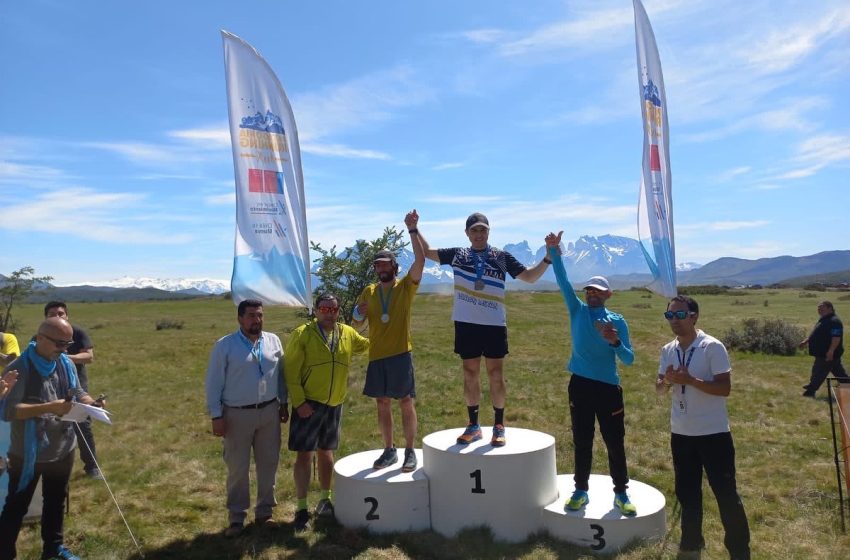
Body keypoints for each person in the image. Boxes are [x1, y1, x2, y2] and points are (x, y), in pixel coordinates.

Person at [417, 212, 551, 447]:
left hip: (493, 325)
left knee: (495, 375)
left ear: (489, 232)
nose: (479, 234)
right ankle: (474, 425)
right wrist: (413, 228)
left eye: (483, 230)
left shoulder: (501, 256)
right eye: (474, 230)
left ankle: (499, 426)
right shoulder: (458, 254)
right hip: (466, 324)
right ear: (467, 233)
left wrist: (548, 258)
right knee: (470, 374)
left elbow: (529, 277)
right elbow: (427, 252)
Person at [545, 231, 637, 516]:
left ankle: (621, 493)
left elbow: (629, 359)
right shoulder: (578, 311)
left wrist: (615, 342)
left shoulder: (617, 322)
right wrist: (554, 251)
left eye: (597, 290)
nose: (591, 294)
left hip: (609, 388)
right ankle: (580, 490)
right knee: (582, 440)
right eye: (589, 290)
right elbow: (562, 281)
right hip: (580, 386)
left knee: (614, 442)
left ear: (608, 294)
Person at [0, 317, 104, 560]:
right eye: (59, 343)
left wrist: (92, 403)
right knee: (17, 507)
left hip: (63, 448)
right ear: (40, 339)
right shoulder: (19, 368)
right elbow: (7, 412)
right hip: (28, 453)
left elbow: (76, 391)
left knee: (56, 501)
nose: (64, 349)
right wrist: (49, 407)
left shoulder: (64, 362)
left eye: (67, 344)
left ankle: (53, 549)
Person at [656, 295, 751, 559]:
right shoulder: (668, 349)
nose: (674, 321)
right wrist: (668, 382)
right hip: (681, 433)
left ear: (694, 316)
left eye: (679, 315)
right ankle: (690, 546)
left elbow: (724, 388)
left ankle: (740, 551)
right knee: (687, 495)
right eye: (670, 316)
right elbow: (659, 388)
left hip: (713, 434)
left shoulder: (712, 347)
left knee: (726, 495)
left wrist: (691, 379)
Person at [284, 292, 369, 532]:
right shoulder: (302, 334)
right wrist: (299, 402)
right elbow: (290, 371)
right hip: (308, 405)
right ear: (316, 310)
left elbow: (369, 345)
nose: (329, 313)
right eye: (324, 309)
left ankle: (325, 499)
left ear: (338, 311)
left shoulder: (347, 333)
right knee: (304, 455)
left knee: (327, 452)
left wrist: (384, 325)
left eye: (333, 309)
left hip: (334, 404)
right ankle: (301, 508)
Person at [205, 299, 288, 538]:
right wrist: (216, 415)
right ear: (240, 318)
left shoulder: (273, 341)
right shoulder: (225, 346)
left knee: (269, 464)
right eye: (251, 315)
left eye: (260, 315)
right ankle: (237, 518)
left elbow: (280, 375)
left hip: (270, 412)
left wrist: (283, 403)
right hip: (237, 415)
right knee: (238, 468)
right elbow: (213, 383)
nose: (257, 320)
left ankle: (264, 513)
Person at [353, 210, 425, 473]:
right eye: (378, 265)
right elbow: (357, 324)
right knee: (381, 403)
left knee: (406, 401)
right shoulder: (368, 291)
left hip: (400, 354)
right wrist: (357, 315)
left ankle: (409, 451)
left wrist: (413, 230)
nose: (382, 268)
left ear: (394, 267)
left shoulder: (406, 287)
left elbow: (420, 260)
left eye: (386, 264)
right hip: (376, 356)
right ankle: (389, 450)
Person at [42, 302, 100, 480]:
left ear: (67, 316)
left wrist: (65, 358)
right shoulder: (40, 336)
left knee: (82, 426)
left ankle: (92, 467)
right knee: (50, 427)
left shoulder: (78, 332)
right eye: (52, 314)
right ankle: (51, 468)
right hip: (49, 389)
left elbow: (89, 357)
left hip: (76, 387)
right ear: (46, 318)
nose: (57, 317)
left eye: (61, 313)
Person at [800, 300, 847, 397]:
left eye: (822, 308)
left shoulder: (834, 321)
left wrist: (831, 351)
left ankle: (810, 391)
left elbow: (836, 338)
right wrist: (806, 341)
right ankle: (847, 385)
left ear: (830, 308)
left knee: (819, 371)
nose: (819, 310)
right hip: (824, 353)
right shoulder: (823, 319)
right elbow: (817, 333)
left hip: (827, 353)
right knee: (839, 373)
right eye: (818, 308)